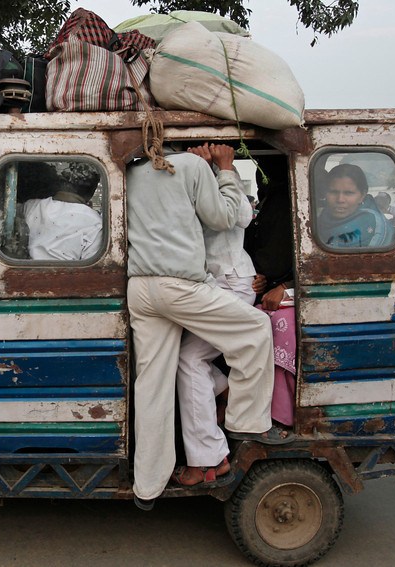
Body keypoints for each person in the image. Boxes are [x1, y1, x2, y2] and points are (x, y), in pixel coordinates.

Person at [126, 143, 282, 510]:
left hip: (140, 287)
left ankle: (148, 485)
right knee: (256, 328)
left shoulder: (131, 172)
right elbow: (227, 217)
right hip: (181, 285)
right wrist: (223, 171)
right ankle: (245, 420)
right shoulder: (192, 167)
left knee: (152, 385)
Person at [173, 143, 283, 488]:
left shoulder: (225, 181)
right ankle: (220, 401)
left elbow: (238, 217)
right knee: (187, 359)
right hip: (211, 284)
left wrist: (223, 168)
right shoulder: (186, 181)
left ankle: (208, 457)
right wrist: (199, 168)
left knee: (189, 360)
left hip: (231, 283)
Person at [245, 156, 297, 429]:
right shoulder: (268, 203)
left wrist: (281, 285)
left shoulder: (281, 204)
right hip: (265, 283)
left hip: (279, 290)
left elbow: (276, 257)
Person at [23, 163, 102, 260]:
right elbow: (93, 268)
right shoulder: (95, 223)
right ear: (92, 191)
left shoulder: (31, 206)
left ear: (59, 183)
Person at [316, 164, 393, 248]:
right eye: (333, 192)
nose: (340, 199)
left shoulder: (373, 226)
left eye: (348, 193)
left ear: (362, 195)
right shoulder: (320, 216)